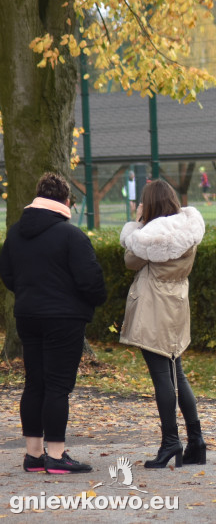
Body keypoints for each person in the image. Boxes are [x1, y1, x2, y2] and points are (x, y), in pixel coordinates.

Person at [0, 172, 107, 474]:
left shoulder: (16, 233)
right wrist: (88, 302)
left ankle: (33, 455)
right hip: (64, 319)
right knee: (58, 386)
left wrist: (28, 293)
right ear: (66, 201)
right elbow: (92, 281)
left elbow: (7, 274)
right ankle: (57, 456)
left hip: (28, 315)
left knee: (35, 383)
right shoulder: (71, 236)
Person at [119, 180, 207, 468]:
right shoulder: (189, 229)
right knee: (177, 373)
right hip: (177, 302)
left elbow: (130, 259)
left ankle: (171, 441)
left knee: (162, 376)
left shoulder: (149, 237)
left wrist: (137, 222)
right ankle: (196, 441)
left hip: (153, 305)